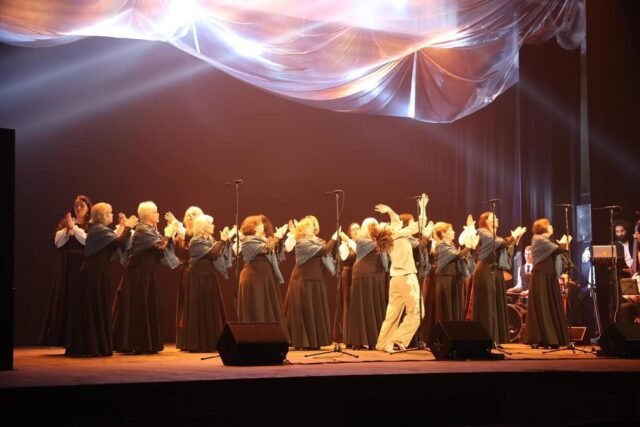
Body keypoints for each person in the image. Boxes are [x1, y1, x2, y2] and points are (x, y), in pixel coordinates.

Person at [67, 204, 138, 357]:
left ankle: (96, 346)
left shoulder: (101, 230)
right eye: (109, 213)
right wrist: (128, 226)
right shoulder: (99, 230)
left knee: (97, 307)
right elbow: (118, 242)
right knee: (94, 308)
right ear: (103, 215)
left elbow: (115, 242)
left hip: (98, 272)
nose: (112, 215)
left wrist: (123, 227)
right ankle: (92, 346)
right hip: (93, 273)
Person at [112, 201, 180, 354]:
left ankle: (145, 343)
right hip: (138, 274)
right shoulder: (143, 230)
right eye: (155, 212)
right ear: (148, 215)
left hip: (146, 273)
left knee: (145, 306)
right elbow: (160, 247)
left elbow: (163, 248)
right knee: (138, 307)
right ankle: (136, 343)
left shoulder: (150, 229)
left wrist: (170, 235)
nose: (158, 214)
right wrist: (168, 233)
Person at [374, 194, 427, 353]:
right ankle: (399, 338)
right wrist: (423, 207)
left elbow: (395, 220)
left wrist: (389, 210)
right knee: (417, 311)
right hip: (406, 278)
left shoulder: (390, 237)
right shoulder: (398, 234)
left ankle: (383, 343)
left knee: (392, 314)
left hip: (395, 279)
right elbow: (420, 225)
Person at [40, 194, 92, 348]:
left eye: (82, 206)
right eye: (76, 206)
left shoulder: (91, 224)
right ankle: (64, 338)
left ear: (88, 208)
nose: (78, 208)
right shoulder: (65, 222)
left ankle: (81, 338)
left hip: (83, 264)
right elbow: (58, 243)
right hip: (67, 265)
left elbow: (88, 242)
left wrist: (74, 228)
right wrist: (67, 229)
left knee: (80, 298)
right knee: (65, 297)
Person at [283, 215, 339, 350]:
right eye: (307, 226)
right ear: (302, 229)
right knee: (303, 310)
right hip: (303, 279)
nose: (311, 228)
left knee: (315, 311)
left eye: (312, 225)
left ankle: (314, 341)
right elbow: (324, 250)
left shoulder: (319, 241)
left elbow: (327, 253)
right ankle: (302, 342)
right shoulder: (302, 242)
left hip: (316, 279)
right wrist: (334, 239)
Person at [471, 212, 526, 345]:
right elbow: (500, 243)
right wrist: (513, 237)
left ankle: (497, 337)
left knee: (496, 304)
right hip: (485, 270)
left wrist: (515, 239)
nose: (497, 218)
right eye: (493, 217)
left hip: (496, 271)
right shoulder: (482, 232)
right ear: (486, 221)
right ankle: (486, 338)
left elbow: (505, 249)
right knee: (487, 305)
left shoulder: (495, 236)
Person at [183, 214, 233, 352]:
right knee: (200, 309)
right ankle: (198, 343)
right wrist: (222, 241)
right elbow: (212, 254)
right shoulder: (196, 241)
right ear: (203, 227)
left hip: (209, 277)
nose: (213, 226)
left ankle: (212, 342)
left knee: (211, 309)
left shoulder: (210, 240)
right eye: (210, 224)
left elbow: (220, 253)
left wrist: (226, 242)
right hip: (198, 279)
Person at [523, 218, 571, 348]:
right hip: (541, 277)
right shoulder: (538, 239)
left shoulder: (548, 241)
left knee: (550, 306)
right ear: (542, 227)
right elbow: (559, 250)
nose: (551, 227)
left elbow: (559, 250)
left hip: (549, 276)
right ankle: (546, 338)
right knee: (543, 307)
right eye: (549, 225)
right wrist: (564, 245)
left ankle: (552, 337)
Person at [237, 214, 288, 335]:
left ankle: (272, 336)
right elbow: (265, 249)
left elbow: (276, 254)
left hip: (266, 278)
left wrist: (279, 240)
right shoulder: (248, 241)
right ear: (253, 227)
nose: (263, 226)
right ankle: (257, 336)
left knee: (268, 307)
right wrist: (277, 237)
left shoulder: (264, 240)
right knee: (258, 306)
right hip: (254, 277)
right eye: (260, 224)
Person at [345, 218, 389, 350]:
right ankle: (358, 341)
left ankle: (375, 340)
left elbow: (385, 260)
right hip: (362, 276)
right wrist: (382, 236)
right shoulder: (361, 241)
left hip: (377, 276)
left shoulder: (380, 242)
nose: (375, 228)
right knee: (361, 306)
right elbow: (377, 245)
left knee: (374, 306)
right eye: (372, 226)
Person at [165, 206, 204, 350]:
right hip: (185, 271)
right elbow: (170, 249)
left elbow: (190, 236)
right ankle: (185, 339)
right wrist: (170, 233)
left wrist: (176, 223)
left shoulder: (199, 234)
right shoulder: (180, 235)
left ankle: (197, 337)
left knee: (194, 303)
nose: (190, 217)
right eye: (188, 214)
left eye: (194, 214)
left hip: (198, 273)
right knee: (184, 303)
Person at [432, 222, 478, 324]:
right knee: (447, 307)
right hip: (445, 279)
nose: (454, 232)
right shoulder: (441, 246)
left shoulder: (451, 245)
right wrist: (468, 246)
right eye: (451, 230)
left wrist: (469, 249)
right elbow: (458, 255)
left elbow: (460, 256)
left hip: (454, 278)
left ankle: (455, 328)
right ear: (443, 233)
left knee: (455, 306)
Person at [333, 222, 359, 346]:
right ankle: (348, 337)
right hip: (348, 275)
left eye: (358, 228)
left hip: (360, 276)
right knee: (348, 305)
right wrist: (347, 242)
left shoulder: (363, 244)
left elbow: (359, 250)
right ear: (350, 233)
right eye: (353, 229)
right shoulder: (344, 246)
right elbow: (344, 258)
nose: (356, 231)